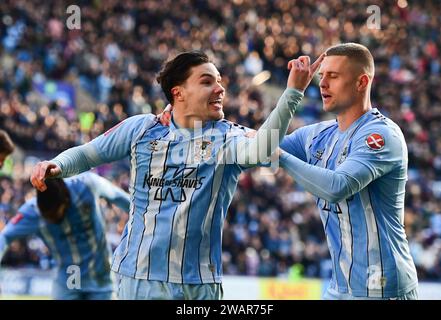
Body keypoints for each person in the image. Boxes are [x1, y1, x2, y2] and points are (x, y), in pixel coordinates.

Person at [30, 50, 324, 299]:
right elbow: (87, 154)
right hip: (139, 277)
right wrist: (57, 164)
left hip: (200, 284)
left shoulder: (228, 137)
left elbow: (262, 150)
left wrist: (293, 93)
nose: (220, 89)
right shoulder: (141, 129)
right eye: (208, 82)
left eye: (220, 82)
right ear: (178, 93)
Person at [278, 43, 418, 299]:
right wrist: (292, 93)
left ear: (361, 82)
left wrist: (280, 157)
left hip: (384, 289)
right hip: (339, 288)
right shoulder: (317, 134)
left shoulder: (381, 134)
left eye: (333, 76)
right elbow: (261, 147)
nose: (322, 84)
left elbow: (337, 187)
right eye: (322, 76)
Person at [0, 172, 130, 299]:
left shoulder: (87, 186)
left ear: (66, 201)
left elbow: (128, 203)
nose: (53, 219)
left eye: (56, 215)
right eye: (48, 217)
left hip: (101, 281)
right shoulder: (33, 212)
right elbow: (5, 237)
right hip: (68, 282)